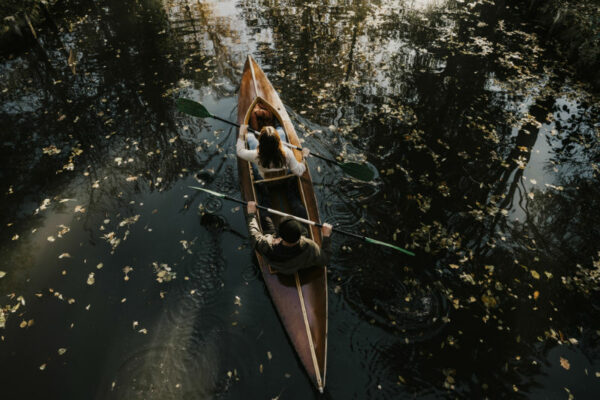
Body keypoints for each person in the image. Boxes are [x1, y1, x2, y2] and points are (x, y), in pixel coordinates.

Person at [246, 201, 333, 274]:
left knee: (265, 216)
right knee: (301, 210)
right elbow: (325, 260)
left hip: (281, 267)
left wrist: (251, 214)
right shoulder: (309, 246)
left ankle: (263, 195)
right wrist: (326, 236)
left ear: (279, 234)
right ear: (300, 234)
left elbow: (254, 234)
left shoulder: (267, 245)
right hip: (296, 264)